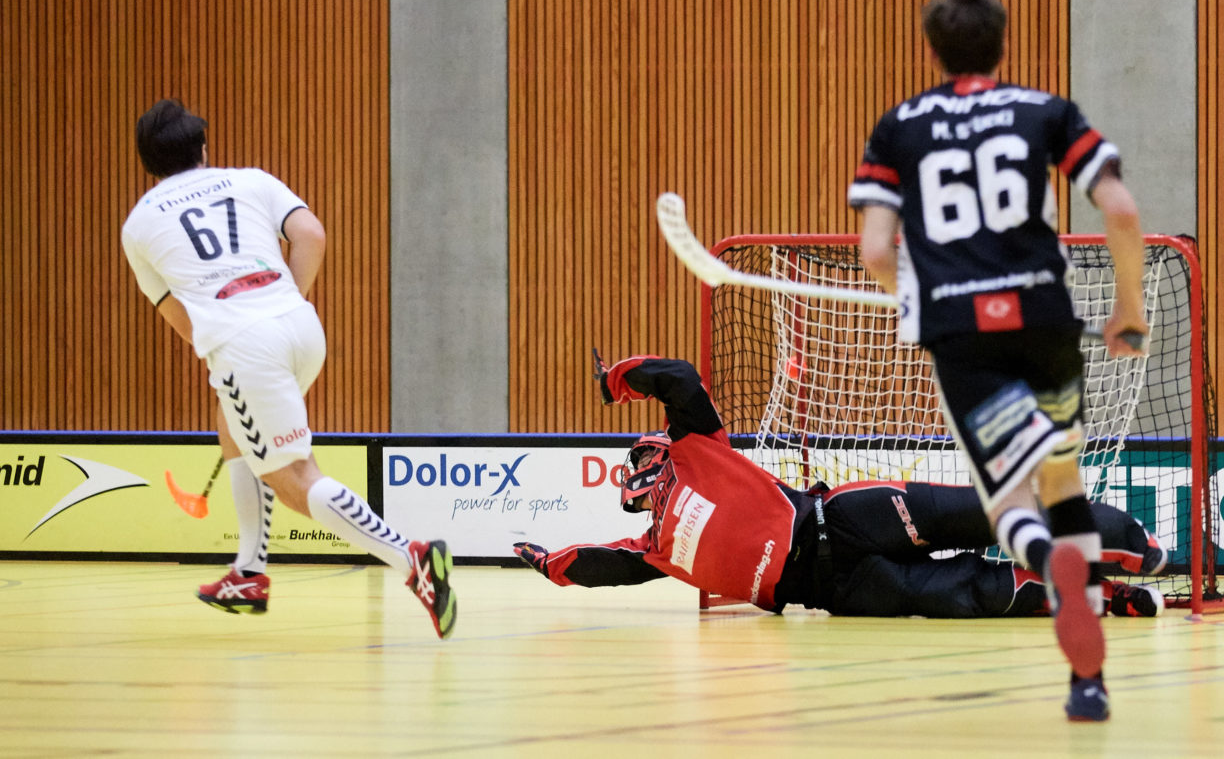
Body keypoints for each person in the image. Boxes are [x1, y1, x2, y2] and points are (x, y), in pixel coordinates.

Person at [847, 0, 1149, 720]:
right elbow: (1120, 207)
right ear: (1003, 44)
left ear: (934, 52)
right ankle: (1089, 682)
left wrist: (913, 290)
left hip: (962, 331)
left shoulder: (899, 126)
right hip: (1046, 317)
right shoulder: (1043, 109)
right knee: (1062, 480)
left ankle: (1050, 566)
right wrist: (1129, 311)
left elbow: (876, 248)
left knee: (1011, 501)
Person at [121, 98, 456, 639]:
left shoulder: (138, 225)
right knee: (232, 421)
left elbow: (178, 314)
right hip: (301, 328)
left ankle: (411, 557)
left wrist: (232, 346)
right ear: (203, 148)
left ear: (147, 164)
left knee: (295, 478)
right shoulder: (250, 180)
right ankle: (248, 573)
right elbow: (311, 236)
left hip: (244, 343)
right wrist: (285, 304)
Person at [514, 355, 1166, 621]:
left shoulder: (694, 446)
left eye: (639, 455)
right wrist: (551, 565)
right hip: (833, 589)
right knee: (973, 591)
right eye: (632, 469)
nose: (636, 468)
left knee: (989, 515)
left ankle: (1127, 539)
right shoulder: (651, 549)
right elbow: (602, 567)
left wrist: (619, 381)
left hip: (845, 517)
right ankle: (1106, 597)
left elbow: (680, 379)